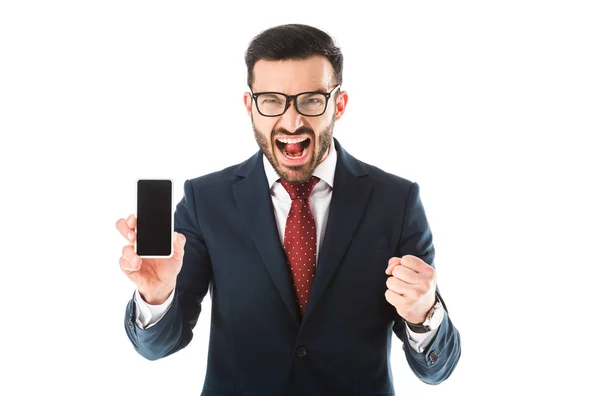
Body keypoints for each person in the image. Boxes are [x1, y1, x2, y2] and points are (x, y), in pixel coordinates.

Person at [116, 23, 461, 395]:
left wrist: (424, 314)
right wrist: (156, 296)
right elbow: (160, 346)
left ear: (338, 105)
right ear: (250, 106)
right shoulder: (206, 200)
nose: (292, 120)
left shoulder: (397, 201)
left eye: (311, 100)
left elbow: (436, 371)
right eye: (272, 100)